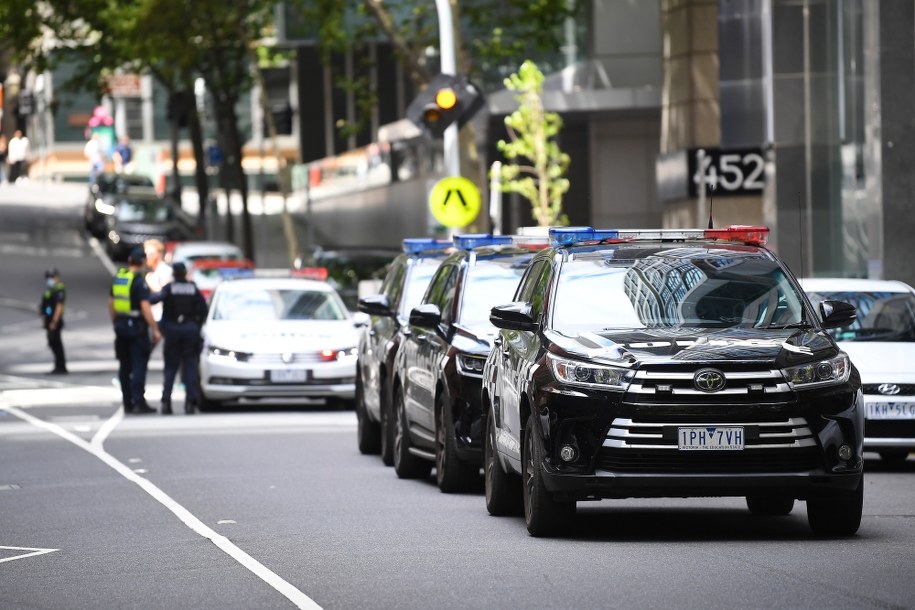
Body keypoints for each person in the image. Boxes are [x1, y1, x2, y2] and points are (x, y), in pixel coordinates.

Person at [150, 262, 208, 415]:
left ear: (174, 275)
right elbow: (203, 309)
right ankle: (190, 402)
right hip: (189, 331)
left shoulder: (170, 288)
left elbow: (154, 299)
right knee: (190, 367)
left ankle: (166, 402)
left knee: (170, 368)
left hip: (172, 331)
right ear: (185, 273)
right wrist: (195, 324)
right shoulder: (193, 289)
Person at [109, 247, 162, 414]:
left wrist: (116, 322)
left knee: (124, 366)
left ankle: (127, 402)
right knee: (139, 365)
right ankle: (139, 401)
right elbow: (145, 307)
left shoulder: (119, 278)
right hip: (137, 329)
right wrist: (155, 329)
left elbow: (111, 304)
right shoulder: (139, 282)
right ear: (142, 262)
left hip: (121, 327)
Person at [39, 268, 68, 374]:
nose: (49, 279)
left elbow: (59, 306)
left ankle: (61, 366)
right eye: (48, 277)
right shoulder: (50, 289)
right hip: (49, 319)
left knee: (56, 343)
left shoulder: (59, 289)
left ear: (57, 277)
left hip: (55, 320)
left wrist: (54, 321)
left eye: (51, 277)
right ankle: (58, 365)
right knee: (52, 343)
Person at [144, 238, 173, 323]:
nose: (147, 257)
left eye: (151, 254)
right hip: (151, 317)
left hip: (161, 318)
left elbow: (166, 294)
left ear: (159, 254)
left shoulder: (166, 271)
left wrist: (151, 283)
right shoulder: (150, 272)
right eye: (146, 254)